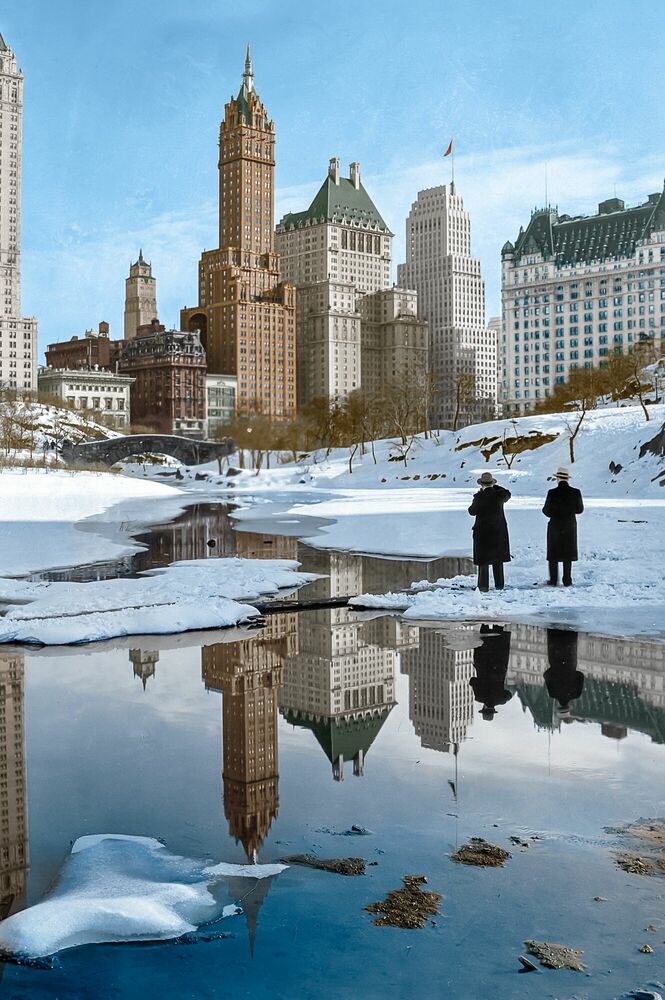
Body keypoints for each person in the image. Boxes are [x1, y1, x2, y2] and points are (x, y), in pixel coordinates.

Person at [468, 471, 512, 592]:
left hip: (483, 532)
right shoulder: (499, 496)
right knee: (497, 560)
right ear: (492, 483)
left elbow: (472, 511)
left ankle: (483, 586)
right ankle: (499, 585)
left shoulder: (479, 497)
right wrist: (495, 487)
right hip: (498, 531)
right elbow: (508, 493)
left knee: (483, 561)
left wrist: (482, 492)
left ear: (481, 484)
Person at [542, 467, 584, 586]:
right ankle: (567, 579)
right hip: (570, 526)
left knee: (553, 554)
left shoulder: (552, 492)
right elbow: (580, 510)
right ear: (567, 479)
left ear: (557, 478)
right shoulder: (576, 492)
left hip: (555, 526)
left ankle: (554, 580)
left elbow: (546, 511)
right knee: (567, 554)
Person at [470, 624, 513, 720]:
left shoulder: (501, 699)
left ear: (493, 709)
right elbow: (473, 681)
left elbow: (509, 694)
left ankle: (497, 619)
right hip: (483, 662)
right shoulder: (479, 697)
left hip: (499, 663)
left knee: (498, 633)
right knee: (484, 635)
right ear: (484, 708)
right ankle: (485, 619)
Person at [544, 628, 584, 718]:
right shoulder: (552, 693)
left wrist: (571, 673)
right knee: (554, 628)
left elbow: (580, 675)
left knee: (570, 629)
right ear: (558, 706)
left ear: (568, 707)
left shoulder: (576, 694)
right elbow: (546, 675)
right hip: (555, 655)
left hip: (570, 657)